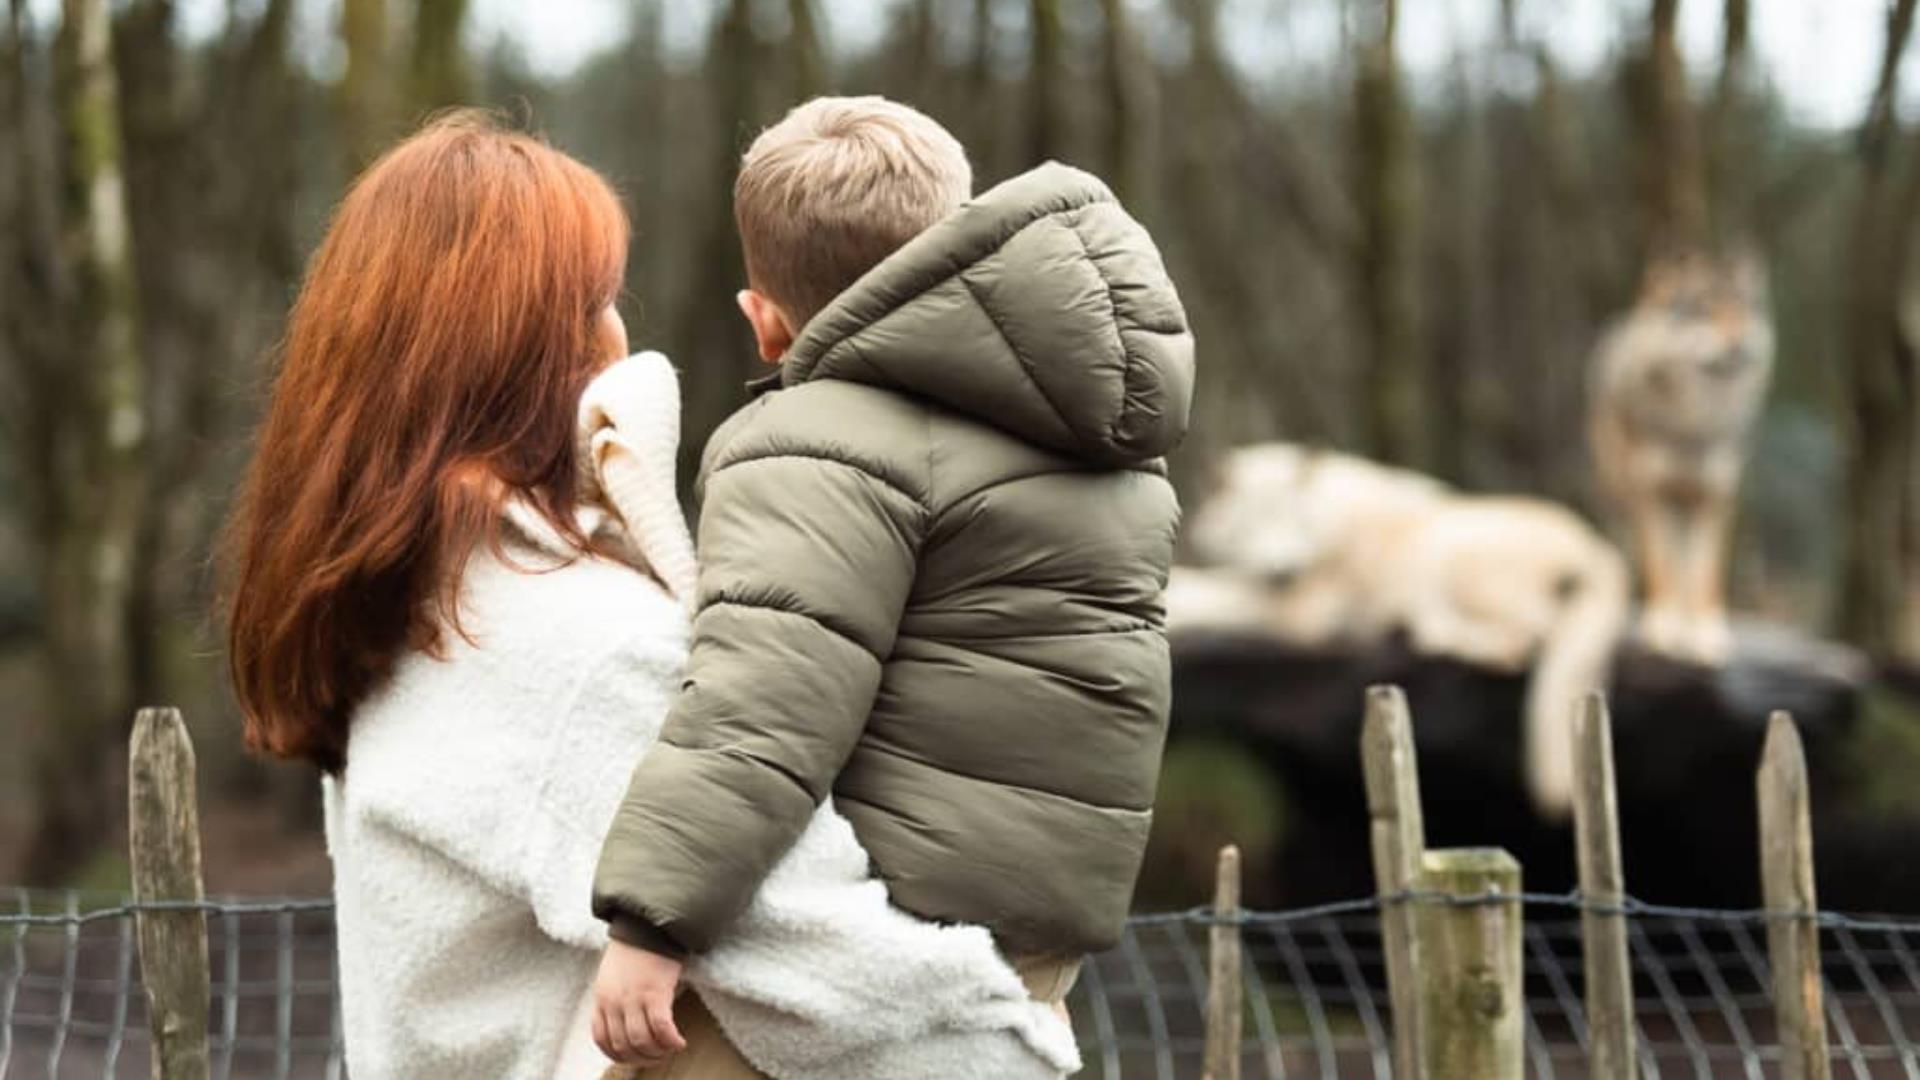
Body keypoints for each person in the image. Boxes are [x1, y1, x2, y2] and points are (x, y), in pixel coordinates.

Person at [222, 111, 1072, 1080]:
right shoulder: (577, 648)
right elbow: (833, 969)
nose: (620, 330)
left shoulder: (414, 619)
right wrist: (1025, 1040)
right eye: (597, 300)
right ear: (526, 352)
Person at [591, 95, 1196, 1067]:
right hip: (1032, 960)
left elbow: (762, 704)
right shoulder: (1100, 439)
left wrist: (651, 924)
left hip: (873, 951)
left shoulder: (811, 443)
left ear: (763, 320)